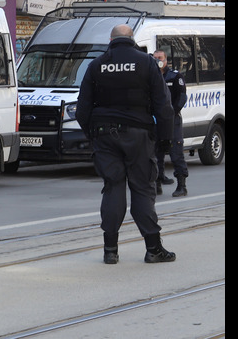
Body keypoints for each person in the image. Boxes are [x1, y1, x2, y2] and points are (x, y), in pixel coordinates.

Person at [76, 24, 176, 265]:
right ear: (132, 39)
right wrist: (164, 140)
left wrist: (93, 134)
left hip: (104, 135)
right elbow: (164, 106)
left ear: (111, 39)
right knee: (142, 188)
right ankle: (153, 249)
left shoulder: (96, 65)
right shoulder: (146, 63)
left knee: (113, 187)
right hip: (138, 134)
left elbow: (82, 109)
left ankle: (110, 250)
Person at [153, 50, 189, 197]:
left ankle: (181, 185)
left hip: (172, 120)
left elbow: (182, 97)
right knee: (155, 153)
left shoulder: (174, 76)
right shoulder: (151, 77)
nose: (157, 61)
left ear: (165, 59)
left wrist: (172, 113)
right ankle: (157, 182)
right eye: (155, 58)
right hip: (156, 121)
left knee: (176, 152)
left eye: (159, 58)